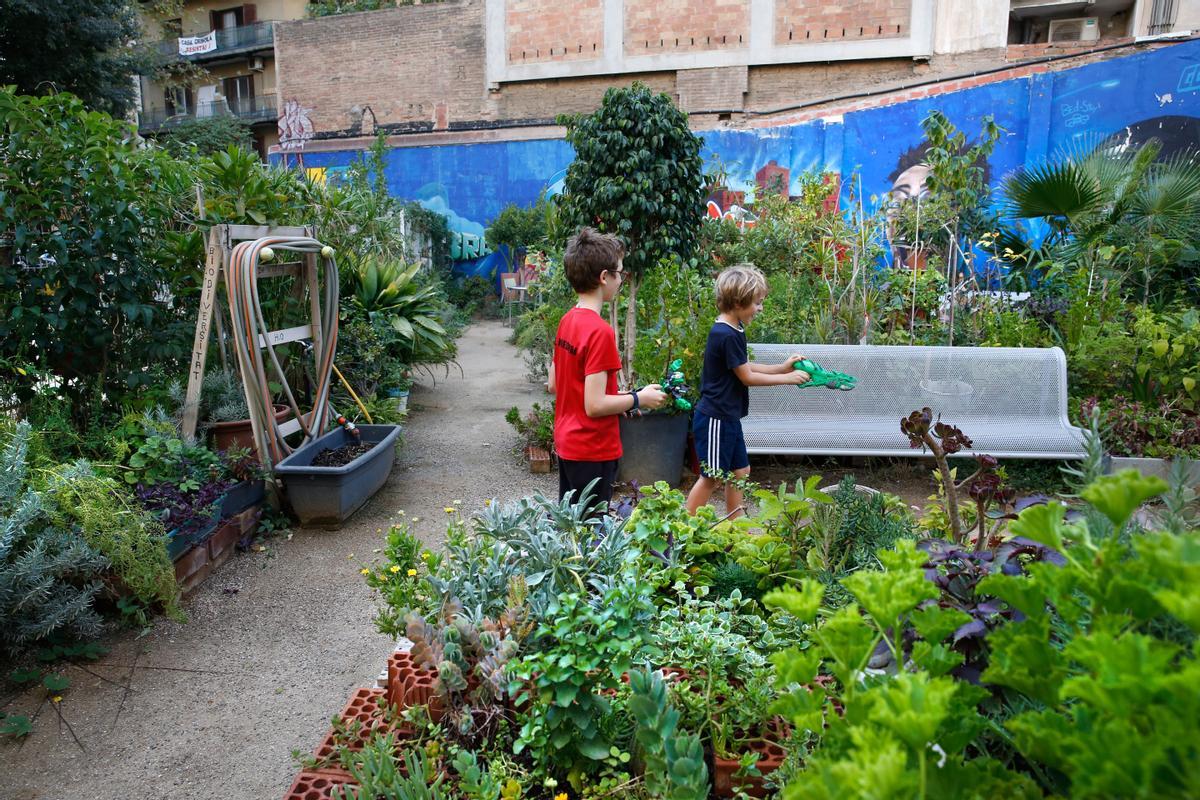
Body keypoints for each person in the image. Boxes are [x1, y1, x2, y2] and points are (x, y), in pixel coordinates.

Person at [545, 228, 668, 510]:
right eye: (620, 273)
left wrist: (619, 397)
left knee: (574, 526)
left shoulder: (568, 321)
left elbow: (556, 383)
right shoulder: (599, 332)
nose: (622, 280)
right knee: (590, 532)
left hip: (568, 444)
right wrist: (639, 398)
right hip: (592, 448)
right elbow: (594, 404)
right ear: (604, 277)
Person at [685, 263, 810, 517]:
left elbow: (743, 366)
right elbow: (747, 377)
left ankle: (735, 522)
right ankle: (682, 529)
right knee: (711, 477)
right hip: (715, 418)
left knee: (740, 472)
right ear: (739, 302)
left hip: (728, 416)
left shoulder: (734, 329)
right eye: (757, 302)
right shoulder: (725, 334)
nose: (760, 308)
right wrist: (789, 379)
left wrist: (782, 368)